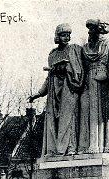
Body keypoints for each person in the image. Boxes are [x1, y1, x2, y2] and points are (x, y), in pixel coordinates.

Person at [29, 23, 83, 156]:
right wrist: (39, 93)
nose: (67, 38)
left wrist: (66, 69)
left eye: (68, 35)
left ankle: (70, 147)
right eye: (64, 35)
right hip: (54, 91)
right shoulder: (52, 54)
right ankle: (53, 150)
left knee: (69, 119)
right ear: (57, 36)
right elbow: (49, 77)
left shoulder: (74, 50)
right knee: (54, 120)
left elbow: (80, 71)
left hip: (69, 87)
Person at [79, 19, 109, 153]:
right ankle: (86, 145)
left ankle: (103, 145)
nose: (89, 32)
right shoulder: (85, 48)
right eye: (89, 29)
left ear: (99, 30)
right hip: (87, 82)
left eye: (92, 29)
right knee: (85, 111)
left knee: (104, 115)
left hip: (103, 82)